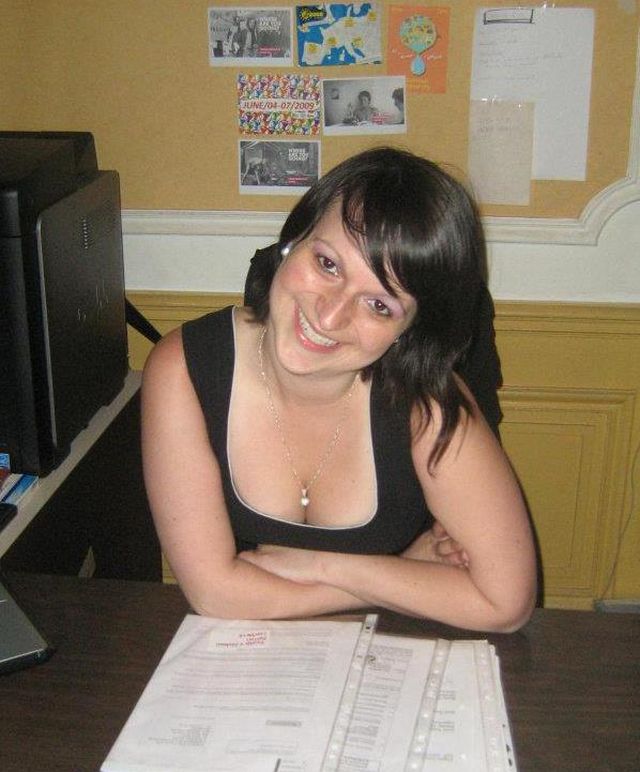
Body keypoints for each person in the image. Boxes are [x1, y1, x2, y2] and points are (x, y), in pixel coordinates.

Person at [141, 147, 537, 631]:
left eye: (379, 305)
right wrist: (406, 572)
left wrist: (327, 567)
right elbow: (214, 594)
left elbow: (506, 603)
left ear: (408, 331)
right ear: (295, 239)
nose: (329, 316)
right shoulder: (183, 368)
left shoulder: (426, 404)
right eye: (328, 264)